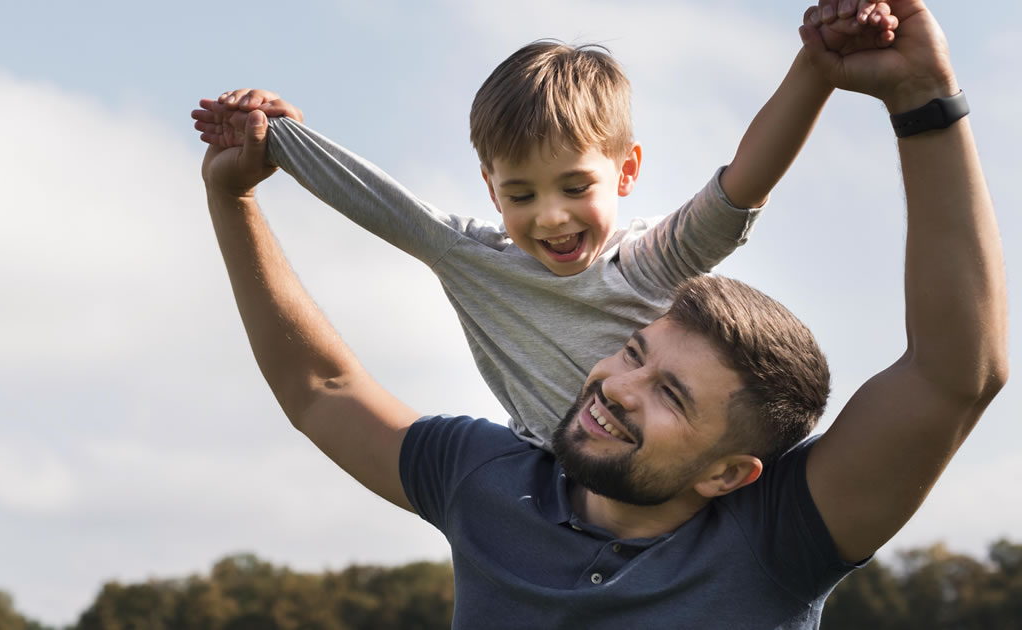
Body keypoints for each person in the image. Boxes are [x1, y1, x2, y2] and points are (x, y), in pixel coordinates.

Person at [197, 0, 1007, 627]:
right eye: (632, 350)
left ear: (730, 472)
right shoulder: (485, 484)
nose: (621, 386)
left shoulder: (780, 539)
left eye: (673, 396)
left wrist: (923, 99)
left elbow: (955, 374)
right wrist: (232, 197)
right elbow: (321, 390)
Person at [192, 3, 897, 451]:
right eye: (520, 193)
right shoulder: (473, 257)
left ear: (625, 173)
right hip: (551, 484)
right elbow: (378, 200)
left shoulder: (650, 264)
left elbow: (745, 180)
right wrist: (272, 134)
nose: (550, 216)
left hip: (687, 481)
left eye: (575, 185)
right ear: (490, 189)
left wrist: (818, 63)